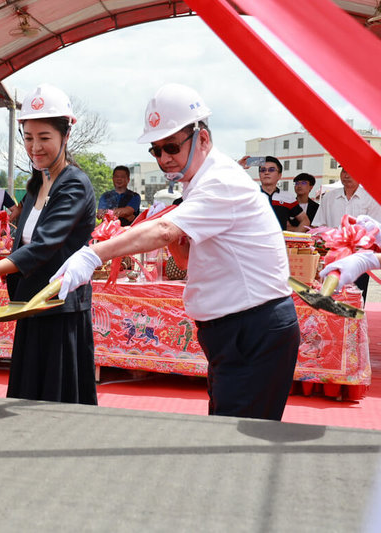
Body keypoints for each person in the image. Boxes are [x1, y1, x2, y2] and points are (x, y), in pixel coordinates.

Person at [53, 83, 300, 421]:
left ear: (203, 139)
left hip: (252, 328)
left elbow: (166, 231)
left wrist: (94, 254)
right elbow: (185, 260)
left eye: (171, 146)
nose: (164, 158)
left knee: (238, 445)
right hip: (232, 331)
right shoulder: (198, 185)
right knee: (227, 433)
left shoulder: (221, 182)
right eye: (156, 150)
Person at [0, 83, 98, 405]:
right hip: (31, 303)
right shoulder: (37, 182)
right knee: (27, 396)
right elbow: (22, 244)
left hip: (58, 306)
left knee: (57, 400)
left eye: (44, 138)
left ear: (65, 135)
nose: (35, 147)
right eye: (28, 138)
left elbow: (44, 245)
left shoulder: (74, 183)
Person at [312, 165, 381, 302]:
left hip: (359, 256)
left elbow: (375, 230)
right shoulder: (329, 197)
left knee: (355, 298)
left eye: (352, 171)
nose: (346, 175)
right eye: (344, 171)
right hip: (331, 254)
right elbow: (318, 226)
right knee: (329, 298)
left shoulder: (371, 198)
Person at [251, 155, 309, 231]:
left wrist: (293, 238)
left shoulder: (288, 198)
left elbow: (305, 221)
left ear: (279, 175)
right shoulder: (250, 195)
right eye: (263, 170)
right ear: (259, 174)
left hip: (278, 241)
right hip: (254, 241)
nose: (266, 172)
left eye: (271, 170)